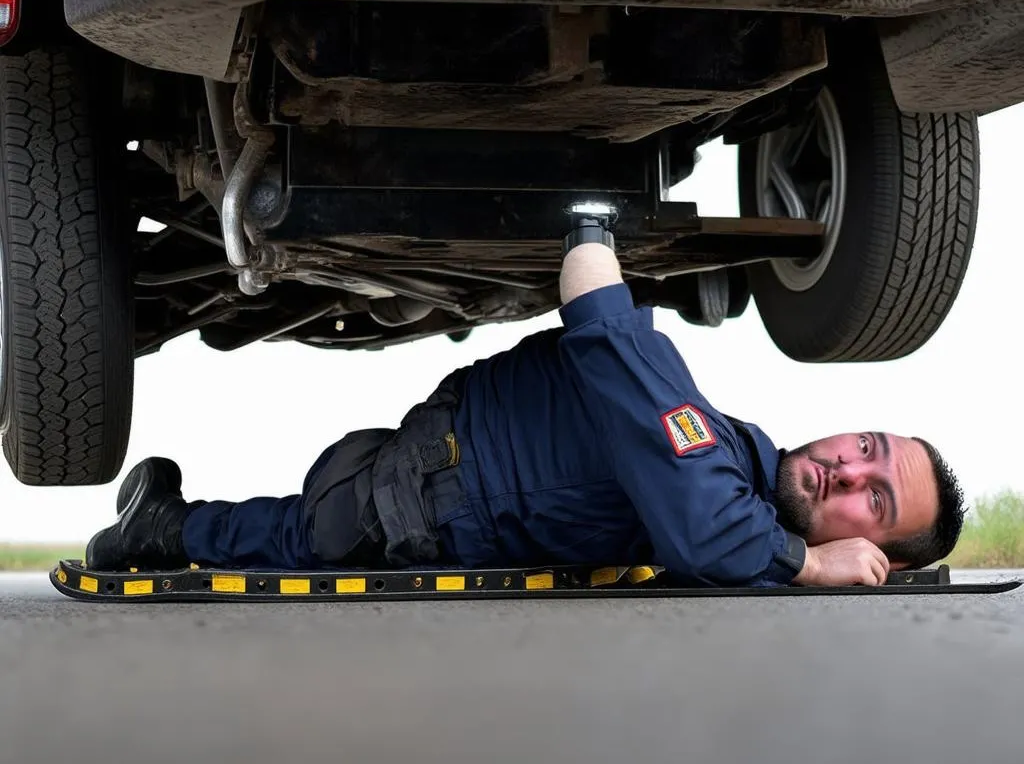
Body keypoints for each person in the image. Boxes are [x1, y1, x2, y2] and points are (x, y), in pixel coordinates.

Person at [85, 214, 966, 588]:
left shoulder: (732, 471)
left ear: (873, 550)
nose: (847, 467)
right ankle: (160, 529)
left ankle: (163, 519)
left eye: (872, 500)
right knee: (301, 539)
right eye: (868, 447)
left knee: (298, 527)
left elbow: (709, 527)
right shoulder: (721, 459)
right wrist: (810, 566)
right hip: (419, 493)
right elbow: (707, 527)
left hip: (441, 477)